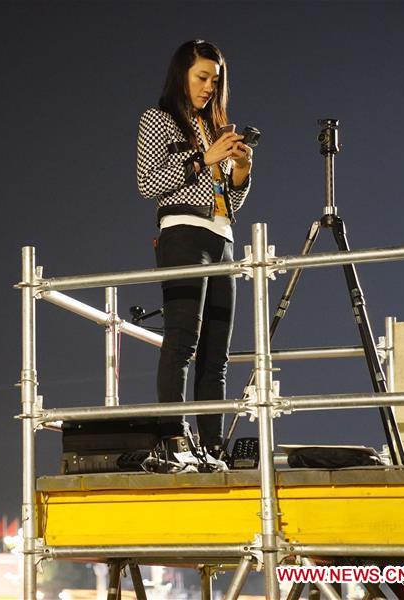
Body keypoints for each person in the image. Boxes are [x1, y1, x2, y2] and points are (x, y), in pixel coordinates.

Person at [136, 39, 253, 464]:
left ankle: (212, 444)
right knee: (183, 341)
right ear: (181, 73)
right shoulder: (158, 119)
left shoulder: (213, 125)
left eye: (215, 81)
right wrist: (204, 158)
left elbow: (230, 203)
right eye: (201, 77)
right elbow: (147, 182)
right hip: (182, 230)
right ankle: (174, 438)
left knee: (216, 354)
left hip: (222, 236)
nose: (208, 87)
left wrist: (240, 170)